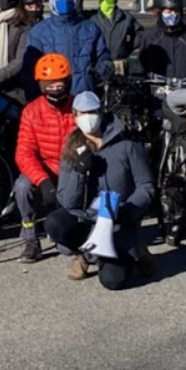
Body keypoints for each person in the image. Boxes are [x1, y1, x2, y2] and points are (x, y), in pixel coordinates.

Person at [44, 91, 156, 289]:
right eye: (82, 113)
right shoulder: (72, 146)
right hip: (87, 218)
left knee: (112, 281)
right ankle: (85, 255)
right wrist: (78, 172)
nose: (88, 117)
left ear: (101, 112)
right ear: (75, 115)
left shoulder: (127, 145)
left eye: (92, 112)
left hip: (118, 221)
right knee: (55, 223)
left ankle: (137, 251)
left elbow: (146, 186)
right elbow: (67, 201)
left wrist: (127, 209)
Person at [13, 54, 78, 262]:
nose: (55, 89)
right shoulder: (31, 111)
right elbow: (23, 152)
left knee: (67, 249)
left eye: (60, 85)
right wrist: (43, 181)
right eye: (50, 85)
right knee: (22, 186)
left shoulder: (79, 109)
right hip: (44, 169)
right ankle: (31, 239)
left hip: (72, 170)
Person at [22, 0, 109, 96]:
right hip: (52, 99)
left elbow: (103, 56)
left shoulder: (90, 28)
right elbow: (30, 70)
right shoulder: (39, 31)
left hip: (84, 98)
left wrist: (104, 68)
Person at [136, 0, 186, 79]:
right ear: (160, 12)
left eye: (176, 11)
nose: (173, 14)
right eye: (168, 11)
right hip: (157, 88)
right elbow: (141, 66)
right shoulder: (150, 36)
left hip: (183, 88)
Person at [91, 0, 139, 67]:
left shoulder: (126, 17)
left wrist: (128, 52)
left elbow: (140, 35)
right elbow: (76, 14)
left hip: (119, 66)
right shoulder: (92, 17)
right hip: (98, 65)